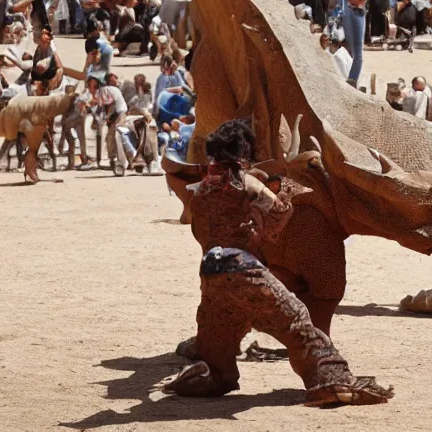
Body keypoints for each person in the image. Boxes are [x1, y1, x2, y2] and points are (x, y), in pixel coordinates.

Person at [163, 119, 393, 405]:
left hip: (211, 277)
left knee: (218, 361)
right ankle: (328, 380)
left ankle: (215, 374)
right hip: (244, 269)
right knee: (298, 322)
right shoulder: (246, 183)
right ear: (244, 150)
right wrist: (284, 199)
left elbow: (202, 234)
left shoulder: (201, 190)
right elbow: (277, 215)